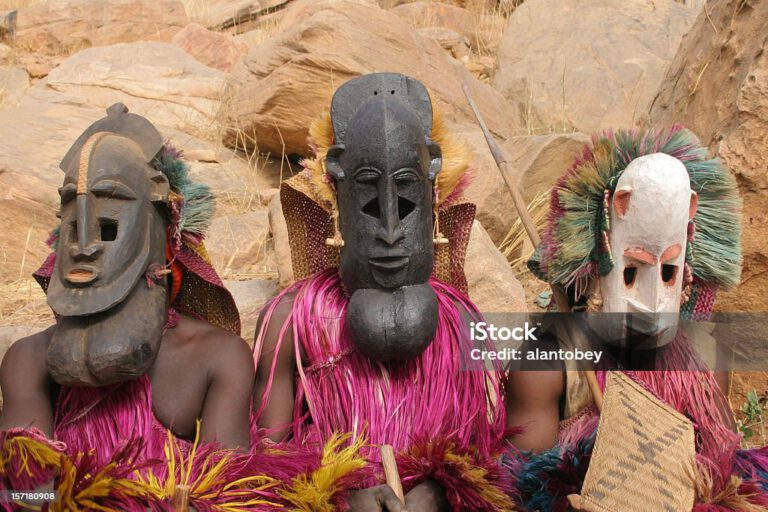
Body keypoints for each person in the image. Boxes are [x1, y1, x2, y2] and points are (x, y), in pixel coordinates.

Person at [252, 73, 512, 512]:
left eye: (407, 203)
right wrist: (340, 496)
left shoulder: (461, 323)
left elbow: (488, 459)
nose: (390, 232)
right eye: (370, 204)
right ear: (338, 198)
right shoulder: (293, 320)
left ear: (432, 201)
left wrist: (441, 492)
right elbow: (265, 464)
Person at [0, 104, 270, 510]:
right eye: (75, 225)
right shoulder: (29, 358)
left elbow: (228, 493)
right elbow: (24, 493)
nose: (85, 247)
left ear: (163, 237)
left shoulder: (217, 355)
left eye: (108, 227)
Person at [507, 126, 768, 511]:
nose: (651, 302)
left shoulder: (706, 357)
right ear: (600, 261)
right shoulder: (549, 362)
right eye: (631, 272)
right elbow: (516, 489)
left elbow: (723, 472)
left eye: (667, 272)